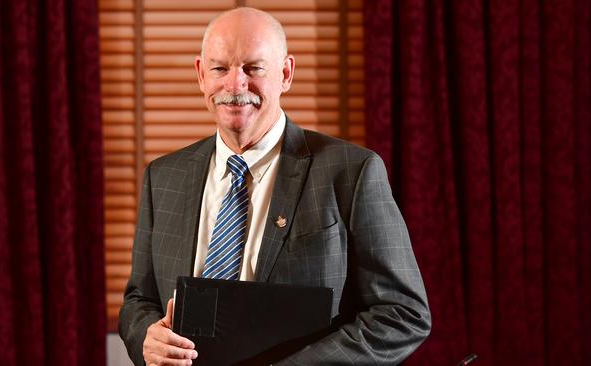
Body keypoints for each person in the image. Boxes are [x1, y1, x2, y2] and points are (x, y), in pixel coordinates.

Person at [119, 7, 431, 366]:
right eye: (220, 69)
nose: (235, 85)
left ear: (286, 74)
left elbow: (403, 313)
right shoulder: (163, 177)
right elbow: (139, 300)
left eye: (253, 68)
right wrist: (147, 336)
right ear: (201, 75)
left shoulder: (351, 172)